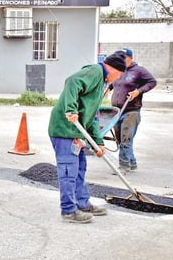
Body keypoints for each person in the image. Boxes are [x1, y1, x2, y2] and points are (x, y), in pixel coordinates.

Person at [48, 51, 127, 223]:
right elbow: (72, 81)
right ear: (114, 70)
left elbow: (92, 117)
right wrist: (71, 109)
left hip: (77, 132)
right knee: (69, 171)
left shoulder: (101, 84)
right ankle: (69, 211)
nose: (118, 78)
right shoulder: (95, 71)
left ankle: (83, 204)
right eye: (120, 75)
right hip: (65, 129)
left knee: (80, 169)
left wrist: (98, 143)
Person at [109, 48, 157, 172]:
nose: (122, 60)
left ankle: (124, 166)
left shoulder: (138, 71)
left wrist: (138, 91)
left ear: (131, 58)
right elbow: (113, 83)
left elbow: (152, 82)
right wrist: (108, 88)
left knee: (126, 139)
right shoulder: (118, 70)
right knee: (120, 140)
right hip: (116, 111)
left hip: (131, 111)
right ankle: (132, 162)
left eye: (125, 58)